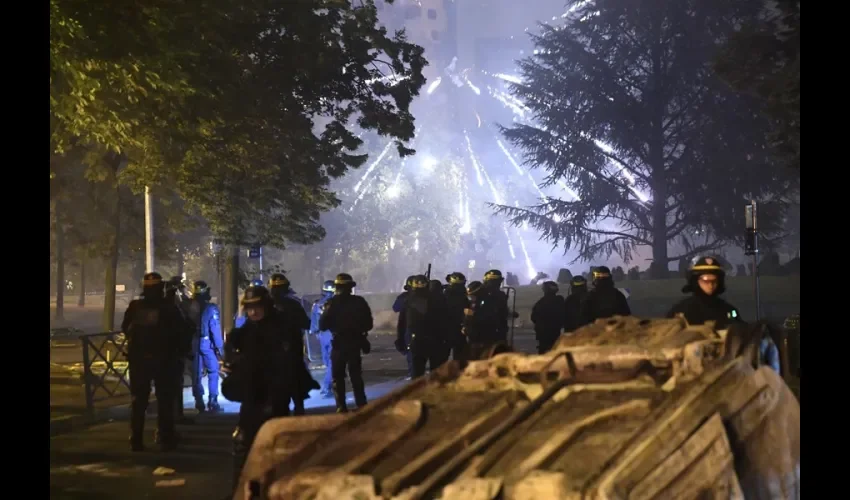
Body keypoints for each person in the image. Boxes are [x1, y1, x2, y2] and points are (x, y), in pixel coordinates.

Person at [226, 286, 298, 465]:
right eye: (249, 308)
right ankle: (243, 490)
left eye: (257, 307)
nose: (253, 311)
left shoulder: (281, 328)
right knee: (243, 444)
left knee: (275, 449)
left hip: (274, 396)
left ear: (267, 306)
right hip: (251, 396)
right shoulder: (248, 329)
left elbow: (288, 364)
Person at [121, 272, 186, 451]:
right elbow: (183, 330)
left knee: (138, 400)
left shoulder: (135, 307)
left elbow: (125, 328)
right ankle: (165, 436)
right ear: (160, 288)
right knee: (165, 400)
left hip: (139, 360)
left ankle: (136, 438)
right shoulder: (169, 308)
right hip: (164, 360)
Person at [319, 273, 373, 412]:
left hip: (338, 343)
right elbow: (368, 324)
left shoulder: (330, 304)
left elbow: (322, 325)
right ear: (350, 287)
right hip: (355, 342)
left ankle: (341, 406)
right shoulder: (359, 302)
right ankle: (361, 403)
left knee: (338, 376)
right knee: (355, 375)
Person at [268, 273, 317, 415]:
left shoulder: (263, 305)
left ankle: (277, 411)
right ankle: (298, 407)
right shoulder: (294, 304)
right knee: (295, 379)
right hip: (292, 349)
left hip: (271, 351)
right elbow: (306, 323)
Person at [667, 257, 744, 330]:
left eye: (714, 281)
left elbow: (740, 332)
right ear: (696, 281)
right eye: (706, 280)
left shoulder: (729, 310)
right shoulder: (681, 311)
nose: (710, 285)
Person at [186, 281, 223, 413]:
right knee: (213, 371)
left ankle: (199, 401)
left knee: (196, 374)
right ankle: (213, 401)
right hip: (206, 344)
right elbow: (215, 329)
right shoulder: (211, 308)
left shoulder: (189, 308)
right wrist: (220, 348)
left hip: (192, 343)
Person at [404, 275, 449, 377]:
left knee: (417, 372)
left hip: (418, 339)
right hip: (434, 338)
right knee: (435, 372)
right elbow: (445, 319)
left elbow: (406, 322)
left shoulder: (410, 300)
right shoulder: (438, 299)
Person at [165, 276, 194, 424]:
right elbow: (186, 328)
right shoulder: (176, 310)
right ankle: (176, 416)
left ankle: (167, 420)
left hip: (159, 353)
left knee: (166, 387)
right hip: (174, 353)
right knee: (176, 384)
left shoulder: (160, 308)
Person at [310, 280, 336, 397]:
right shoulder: (335, 304)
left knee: (327, 361)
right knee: (332, 362)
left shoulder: (317, 304)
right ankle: (327, 387)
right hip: (332, 335)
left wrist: (316, 333)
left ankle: (331, 382)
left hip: (322, 335)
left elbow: (314, 324)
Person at [531, 281, 565, 354]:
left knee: (544, 352)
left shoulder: (540, 303)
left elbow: (533, 317)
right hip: (554, 331)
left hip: (543, 333)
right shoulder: (559, 300)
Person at [393, 276, 416, 378]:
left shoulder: (426, 297)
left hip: (410, 329)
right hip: (408, 327)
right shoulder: (405, 297)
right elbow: (396, 307)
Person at [444, 272, 470, 361]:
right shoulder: (463, 296)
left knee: (443, 357)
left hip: (447, 328)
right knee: (459, 355)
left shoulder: (445, 294)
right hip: (459, 327)